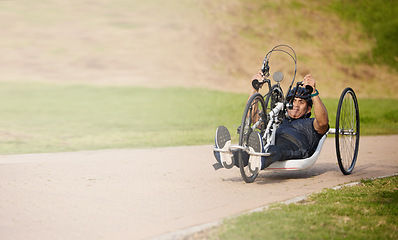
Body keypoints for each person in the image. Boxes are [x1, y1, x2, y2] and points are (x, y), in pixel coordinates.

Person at [213, 71, 329, 170]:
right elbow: (253, 117)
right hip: (270, 144)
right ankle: (226, 156)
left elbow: (323, 123)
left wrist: (313, 92)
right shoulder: (278, 118)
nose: (296, 105)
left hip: (294, 147)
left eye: (301, 102)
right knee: (252, 149)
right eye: (293, 101)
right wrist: (254, 89)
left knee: (273, 149)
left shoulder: (310, 124)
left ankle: (258, 160)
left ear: (308, 109)